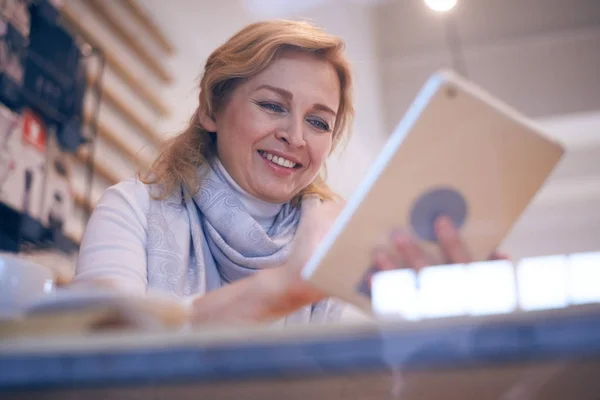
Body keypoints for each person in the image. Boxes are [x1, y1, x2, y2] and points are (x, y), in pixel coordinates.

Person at [74, 20, 504, 326]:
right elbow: (97, 353)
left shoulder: (339, 242)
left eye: (318, 122)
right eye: (273, 106)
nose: (295, 136)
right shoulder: (131, 209)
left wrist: (444, 324)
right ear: (210, 109)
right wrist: (283, 287)